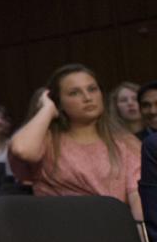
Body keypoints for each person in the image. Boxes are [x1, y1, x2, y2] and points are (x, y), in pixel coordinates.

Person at [8, 64, 142, 218]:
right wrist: (47, 109)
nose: (87, 98)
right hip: (59, 230)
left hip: (113, 229)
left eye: (92, 89)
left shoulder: (125, 142)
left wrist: (143, 238)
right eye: (74, 93)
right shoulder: (47, 140)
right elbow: (22, 150)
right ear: (59, 102)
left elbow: (138, 195)